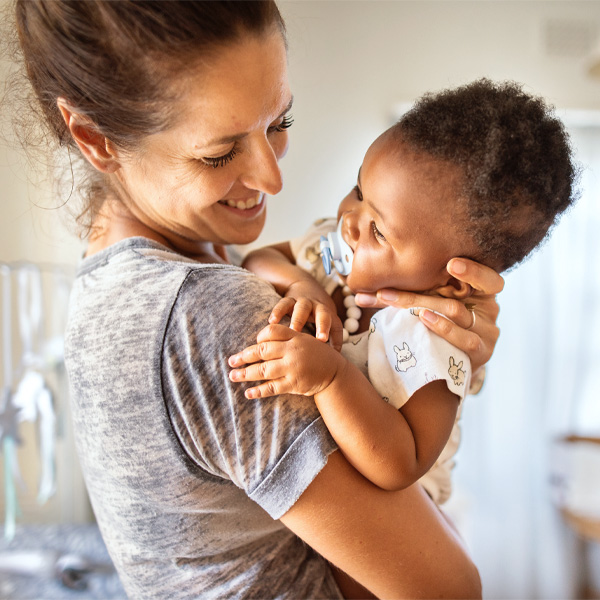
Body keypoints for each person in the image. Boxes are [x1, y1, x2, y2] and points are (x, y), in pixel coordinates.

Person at [13, 1, 506, 598]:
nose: (273, 179)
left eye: (280, 123)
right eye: (219, 153)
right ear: (96, 138)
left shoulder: (132, 280)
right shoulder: (203, 312)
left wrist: (441, 354)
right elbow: (447, 588)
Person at [230, 79, 577, 505]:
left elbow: (401, 464)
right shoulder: (339, 252)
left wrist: (332, 378)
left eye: (378, 230)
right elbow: (260, 259)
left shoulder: (432, 337)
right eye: (359, 191)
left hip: (403, 515)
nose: (350, 220)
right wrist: (300, 283)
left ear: (452, 282)